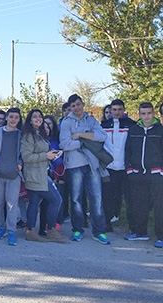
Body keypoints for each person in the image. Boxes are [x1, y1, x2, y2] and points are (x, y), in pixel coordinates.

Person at [59, 94, 110, 244]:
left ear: (83, 104)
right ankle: (77, 229)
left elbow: (102, 136)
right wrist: (84, 143)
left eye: (78, 104)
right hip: (74, 165)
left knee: (96, 198)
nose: (76, 108)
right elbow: (64, 144)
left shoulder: (91, 120)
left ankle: (99, 231)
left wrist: (80, 135)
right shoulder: (67, 122)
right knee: (76, 199)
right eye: (73, 106)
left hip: (92, 165)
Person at [21, 109, 66, 243]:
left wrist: (51, 154)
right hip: (35, 175)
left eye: (40, 116)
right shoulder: (28, 136)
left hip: (41, 173)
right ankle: (51, 229)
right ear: (30, 120)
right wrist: (46, 155)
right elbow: (26, 157)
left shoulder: (39, 134)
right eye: (34, 117)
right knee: (56, 200)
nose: (38, 119)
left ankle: (30, 231)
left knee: (34, 203)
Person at [125, 102, 163, 248]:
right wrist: (129, 169)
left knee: (159, 207)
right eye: (143, 113)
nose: (146, 116)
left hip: (156, 174)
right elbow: (127, 150)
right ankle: (140, 232)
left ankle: (161, 236)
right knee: (139, 204)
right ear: (139, 114)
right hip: (137, 174)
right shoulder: (133, 130)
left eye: (149, 113)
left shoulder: (160, 130)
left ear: (153, 114)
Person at [0, 107, 24, 246]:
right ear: (6, 117)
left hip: (14, 175)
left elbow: (24, 153)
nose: (13, 120)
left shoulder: (21, 135)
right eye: (11, 116)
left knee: (12, 204)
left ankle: (12, 231)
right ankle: (1, 226)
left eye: (16, 117)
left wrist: (20, 163)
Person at [101, 99, 135, 232]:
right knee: (108, 197)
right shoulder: (104, 126)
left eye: (120, 109)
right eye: (114, 110)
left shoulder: (131, 125)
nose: (117, 112)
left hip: (126, 168)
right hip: (110, 168)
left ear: (124, 110)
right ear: (111, 110)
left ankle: (133, 226)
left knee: (130, 198)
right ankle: (106, 223)